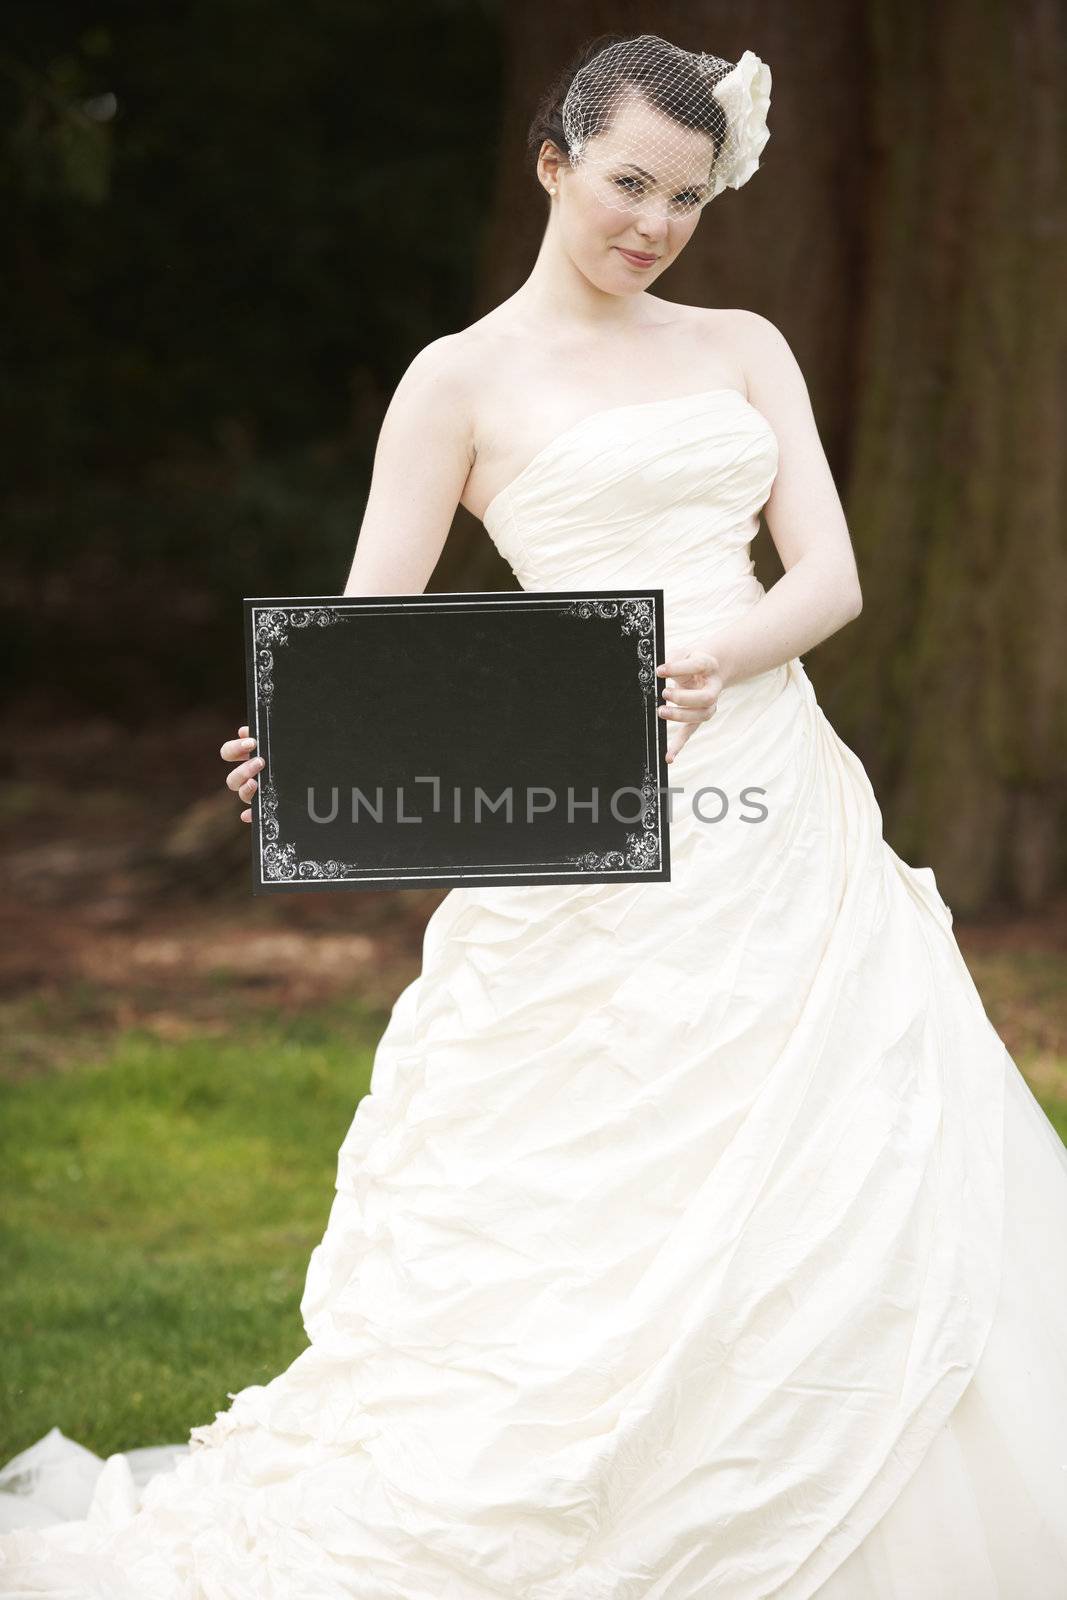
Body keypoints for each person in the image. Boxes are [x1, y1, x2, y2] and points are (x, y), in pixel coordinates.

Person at [2, 30, 1066, 1600]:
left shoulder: (748, 346)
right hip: (570, 824)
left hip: (772, 806)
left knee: (844, 1162)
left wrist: (715, 652)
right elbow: (375, 631)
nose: (655, 223)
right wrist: (304, 751)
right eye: (630, 182)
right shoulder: (460, 381)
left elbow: (831, 579)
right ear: (555, 163)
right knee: (569, 1191)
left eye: (688, 199)